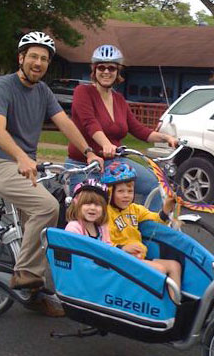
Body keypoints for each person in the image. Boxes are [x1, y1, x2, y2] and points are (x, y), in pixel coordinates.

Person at [0, 31, 103, 316]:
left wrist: (88, 152)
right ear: (21, 58)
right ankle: (25, 275)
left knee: (50, 216)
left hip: (26, 168)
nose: (38, 62)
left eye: (44, 59)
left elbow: (65, 123)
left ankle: (35, 292)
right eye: (33, 56)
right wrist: (21, 156)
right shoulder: (2, 87)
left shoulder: (43, 91)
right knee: (45, 206)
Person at [65, 44, 178, 210]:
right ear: (94, 70)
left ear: (118, 72)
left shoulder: (119, 100)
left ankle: (149, 231)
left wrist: (166, 138)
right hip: (84, 166)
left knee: (155, 185)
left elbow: (138, 129)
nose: (106, 72)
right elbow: (90, 123)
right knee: (93, 212)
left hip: (115, 163)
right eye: (101, 67)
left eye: (111, 68)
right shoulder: (83, 92)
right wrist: (105, 144)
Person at [101, 161, 181, 299]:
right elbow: (103, 243)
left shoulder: (135, 209)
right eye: (120, 191)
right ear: (109, 192)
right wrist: (123, 248)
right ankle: (153, 309)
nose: (126, 195)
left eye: (130, 191)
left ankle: (174, 305)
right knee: (159, 270)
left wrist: (167, 208)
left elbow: (156, 219)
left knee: (174, 266)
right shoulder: (105, 214)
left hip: (138, 257)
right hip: (119, 260)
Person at [65, 179, 111, 244]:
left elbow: (108, 249)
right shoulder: (73, 227)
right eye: (87, 203)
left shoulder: (102, 227)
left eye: (98, 204)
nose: (93, 208)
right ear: (76, 204)